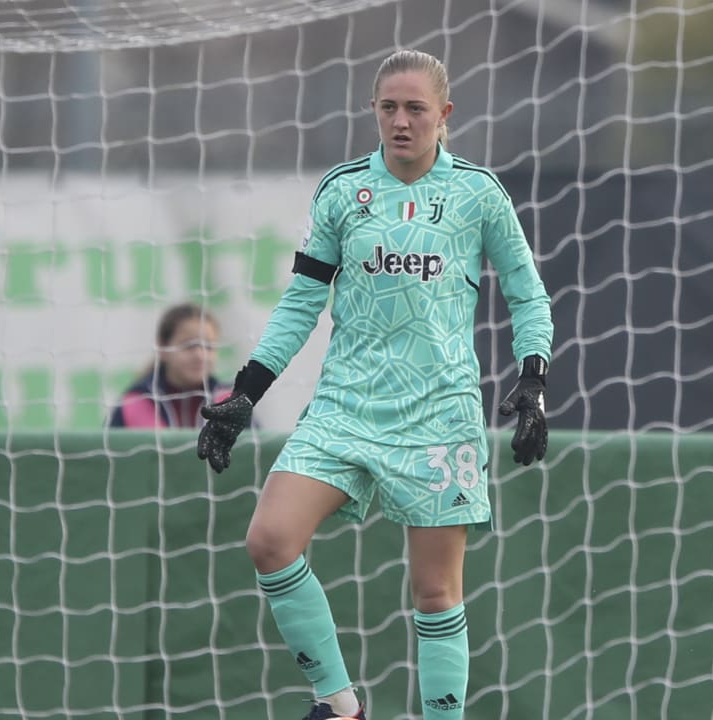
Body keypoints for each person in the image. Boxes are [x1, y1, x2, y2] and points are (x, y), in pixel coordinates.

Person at [195, 49, 554, 720]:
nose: (400, 120)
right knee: (269, 540)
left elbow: (529, 297)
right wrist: (245, 392)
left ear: (444, 115)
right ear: (374, 111)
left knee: (436, 592)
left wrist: (533, 380)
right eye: (388, 107)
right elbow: (302, 302)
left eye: (416, 108)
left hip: (438, 417)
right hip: (346, 408)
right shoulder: (342, 191)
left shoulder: (478, 194)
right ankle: (341, 706)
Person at [108, 302, 229, 428]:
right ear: (162, 348)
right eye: (189, 345)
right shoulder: (135, 403)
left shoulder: (229, 402)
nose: (200, 355)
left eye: (208, 347)